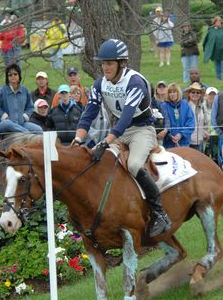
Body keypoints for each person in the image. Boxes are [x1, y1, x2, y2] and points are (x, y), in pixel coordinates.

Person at [73, 38, 171, 237]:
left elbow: (126, 118)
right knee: (98, 163)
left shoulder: (135, 82)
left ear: (122, 63)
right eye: (103, 63)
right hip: (118, 131)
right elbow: (89, 113)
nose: (105, 67)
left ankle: (160, 212)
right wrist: (77, 139)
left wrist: (106, 141)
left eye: (109, 63)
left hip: (141, 130)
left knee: (134, 165)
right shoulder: (100, 83)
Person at [0, 63, 42, 134]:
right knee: (6, 123)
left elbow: (30, 107)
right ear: (7, 77)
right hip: (6, 124)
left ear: (19, 75)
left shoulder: (25, 90)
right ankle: (27, 133)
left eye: (15, 74)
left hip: (22, 123)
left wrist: (25, 116)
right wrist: (4, 116)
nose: (13, 76)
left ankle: (23, 131)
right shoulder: (1, 90)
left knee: (39, 129)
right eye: (10, 75)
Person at [159, 82, 195, 149]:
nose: (172, 94)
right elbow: (164, 123)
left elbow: (191, 123)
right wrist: (169, 135)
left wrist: (180, 134)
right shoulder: (164, 106)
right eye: (170, 92)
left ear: (178, 93)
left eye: (174, 92)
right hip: (169, 143)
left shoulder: (185, 105)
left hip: (184, 143)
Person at [203, 15, 223, 80]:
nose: (218, 23)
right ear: (214, 23)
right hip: (215, 51)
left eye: (219, 22)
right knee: (217, 64)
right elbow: (207, 40)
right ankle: (218, 77)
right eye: (217, 22)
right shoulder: (211, 30)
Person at [185, 82, 209, 152]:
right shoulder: (185, 106)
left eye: (198, 93)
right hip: (188, 142)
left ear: (200, 95)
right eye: (193, 92)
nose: (195, 94)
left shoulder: (202, 107)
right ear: (189, 94)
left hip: (200, 141)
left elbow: (205, 123)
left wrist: (205, 132)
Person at [204, 86, 220, 163]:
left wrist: (211, 134)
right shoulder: (201, 107)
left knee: (215, 158)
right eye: (210, 94)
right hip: (203, 136)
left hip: (215, 137)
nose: (212, 97)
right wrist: (204, 132)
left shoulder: (220, 107)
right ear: (206, 96)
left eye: (214, 95)